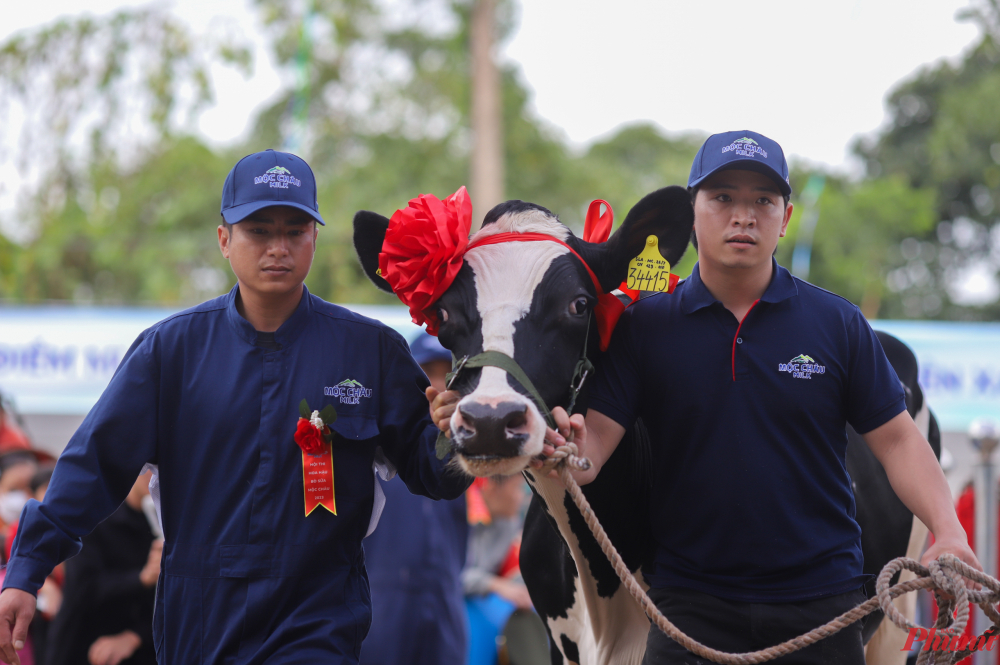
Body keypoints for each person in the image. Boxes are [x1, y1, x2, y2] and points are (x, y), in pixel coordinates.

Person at [0, 148, 470, 665]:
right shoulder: (168, 352)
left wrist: (459, 431)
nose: (278, 248)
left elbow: (436, 473)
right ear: (224, 240)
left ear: (315, 237)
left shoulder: (371, 351)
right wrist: (26, 570)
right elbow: (92, 465)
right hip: (197, 625)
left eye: (295, 230)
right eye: (259, 230)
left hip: (316, 622)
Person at [530, 131, 978, 664]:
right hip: (687, 612)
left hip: (824, 608)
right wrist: (561, 452)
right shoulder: (645, 326)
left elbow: (900, 441)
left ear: (784, 218)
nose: (743, 215)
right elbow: (593, 448)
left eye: (762, 200)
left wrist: (949, 531)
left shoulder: (837, 323)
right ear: (692, 213)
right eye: (722, 198)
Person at [360, 332, 469, 665]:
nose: (438, 385)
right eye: (427, 373)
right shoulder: (382, 451)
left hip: (444, 609)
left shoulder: (460, 460)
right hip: (381, 614)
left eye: (447, 374)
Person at [45, 470, 160, 665]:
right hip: (82, 646)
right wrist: (143, 578)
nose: (157, 478)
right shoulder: (95, 518)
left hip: (145, 648)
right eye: (151, 469)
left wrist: (136, 636)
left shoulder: (171, 524)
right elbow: (83, 588)